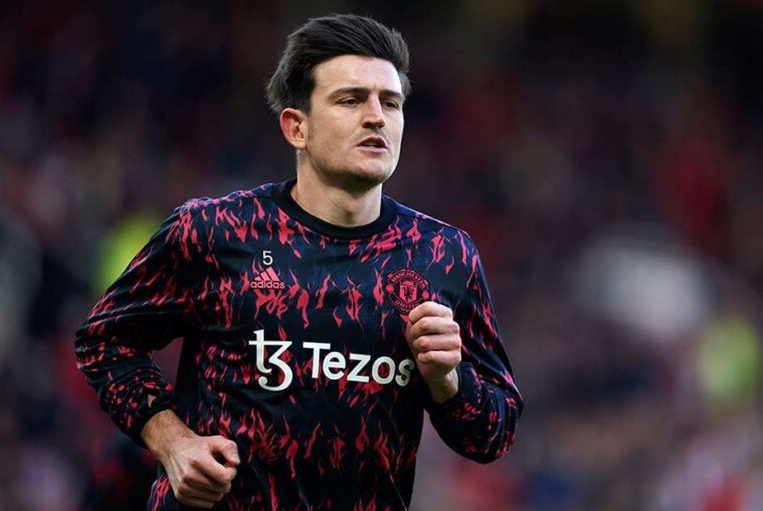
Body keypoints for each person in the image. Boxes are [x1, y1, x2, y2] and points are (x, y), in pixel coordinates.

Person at [75, 14, 523, 510]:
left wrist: (448, 382)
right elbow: (104, 340)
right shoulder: (216, 231)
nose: (376, 117)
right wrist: (173, 443)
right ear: (297, 127)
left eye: (390, 103)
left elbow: (494, 434)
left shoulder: (443, 255)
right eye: (351, 99)